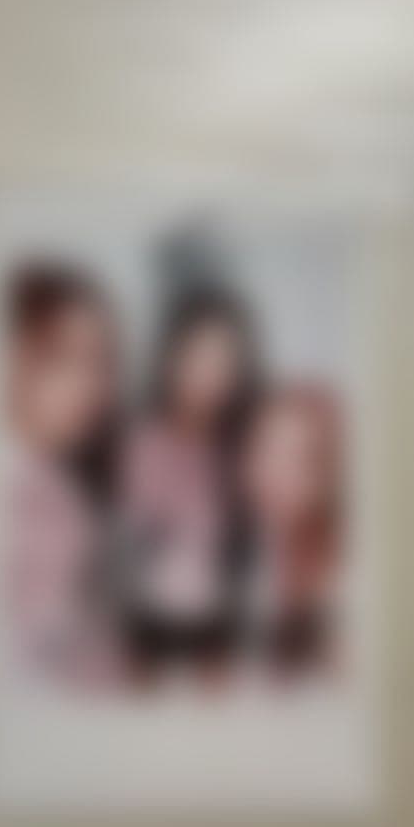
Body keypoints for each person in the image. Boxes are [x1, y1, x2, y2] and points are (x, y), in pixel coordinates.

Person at [120, 288, 260, 683]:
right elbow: (125, 542)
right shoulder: (139, 439)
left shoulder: (244, 445)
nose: (210, 376)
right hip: (145, 618)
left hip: (218, 624)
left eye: (224, 361)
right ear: (173, 357)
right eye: (199, 357)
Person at [1, 262, 120, 685]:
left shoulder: (64, 484)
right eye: (62, 359)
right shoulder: (4, 490)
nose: (90, 385)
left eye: (101, 362)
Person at [240, 384, 344, 678]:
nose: (269, 473)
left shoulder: (349, 588)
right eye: (264, 451)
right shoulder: (252, 568)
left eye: (295, 459)